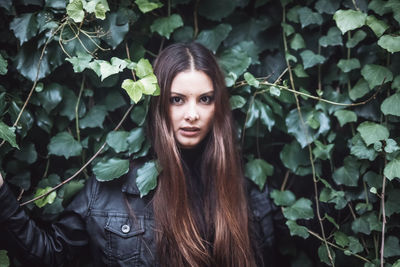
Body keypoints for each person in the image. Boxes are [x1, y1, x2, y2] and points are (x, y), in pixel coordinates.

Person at [0, 42, 276, 266]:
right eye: (177, 99)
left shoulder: (246, 195)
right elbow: (49, 254)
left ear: (218, 106)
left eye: (204, 99)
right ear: (158, 104)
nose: (192, 115)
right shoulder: (111, 191)